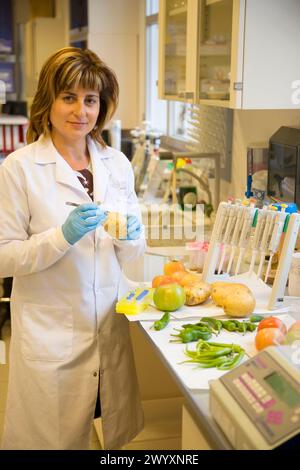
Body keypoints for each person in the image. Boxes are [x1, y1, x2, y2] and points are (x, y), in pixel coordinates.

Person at [0, 47, 145, 450]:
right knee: (54, 439)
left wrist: (132, 237)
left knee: (103, 435)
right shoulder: (20, 168)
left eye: (91, 99)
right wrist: (60, 237)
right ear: (49, 101)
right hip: (52, 337)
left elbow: (132, 257)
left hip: (107, 329)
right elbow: (3, 255)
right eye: (69, 97)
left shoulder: (117, 164)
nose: (80, 111)